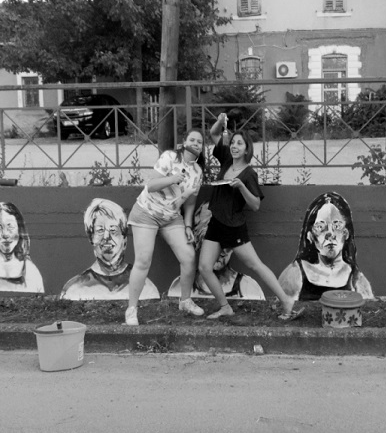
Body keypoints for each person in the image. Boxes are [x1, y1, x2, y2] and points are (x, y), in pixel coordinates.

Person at [198, 113, 303, 320]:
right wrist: (220, 121)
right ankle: (225, 307)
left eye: (239, 144)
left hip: (233, 227)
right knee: (204, 267)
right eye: (233, 143)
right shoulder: (226, 160)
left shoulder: (249, 174)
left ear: (247, 149)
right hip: (216, 223)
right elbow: (214, 134)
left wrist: (241, 187)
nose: (234, 146)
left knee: (255, 265)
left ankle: (286, 301)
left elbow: (255, 205)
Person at [124, 128, 207, 325]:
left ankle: (185, 301)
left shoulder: (197, 172)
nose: (196, 144)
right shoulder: (170, 157)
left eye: (200, 142)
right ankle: (131, 309)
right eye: (192, 140)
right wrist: (172, 178)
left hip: (171, 218)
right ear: (184, 142)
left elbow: (189, 203)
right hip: (147, 213)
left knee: (188, 257)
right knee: (143, 261)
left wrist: (188, 226)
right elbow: (151, 185)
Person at [279, 192, 373, 302]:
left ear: (346, 233)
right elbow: (282, 309)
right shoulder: (295, 273)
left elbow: (368, 309)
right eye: (320, 227)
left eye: (337, 226)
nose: (330, 234)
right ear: (310, 236)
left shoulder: (356, 279)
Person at [61, 198, 159, 301]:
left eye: (113, 230)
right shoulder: (75, 288)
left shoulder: (146, 287)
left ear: (124, 240)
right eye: (100, 230)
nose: (106, 237)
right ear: (91, 238)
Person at [167, 202, 265, 300]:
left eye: (225, 241)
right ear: (198, 241)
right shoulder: (179, 286)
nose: (218, 251)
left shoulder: (248, 287)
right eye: (210, 241)